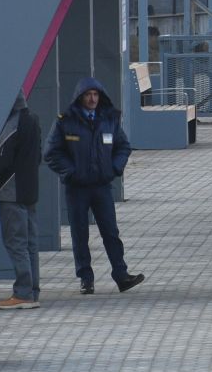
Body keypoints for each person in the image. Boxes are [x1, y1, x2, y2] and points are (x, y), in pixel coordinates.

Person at [44, 78, 145, 295]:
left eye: (96, 95)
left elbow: (123, 146)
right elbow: (51, 152)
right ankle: (85, 279)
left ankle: (121, 275)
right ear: (80, 97)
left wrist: (114, 168)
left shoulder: (109, 119)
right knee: (80, 234)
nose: (92, 99)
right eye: (88, 95)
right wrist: (71, 172)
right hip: (77, 188)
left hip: (102, 186)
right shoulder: (66, 121)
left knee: (110, 232)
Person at [0, 95, 44, 310]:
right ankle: (32, 290)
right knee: (30, 243)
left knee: (15, 242)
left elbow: (2, 159)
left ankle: (23, 292)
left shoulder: (12, 123)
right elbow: (38, 156)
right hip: (29, 189)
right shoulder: (33, 119)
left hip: (11, 191)